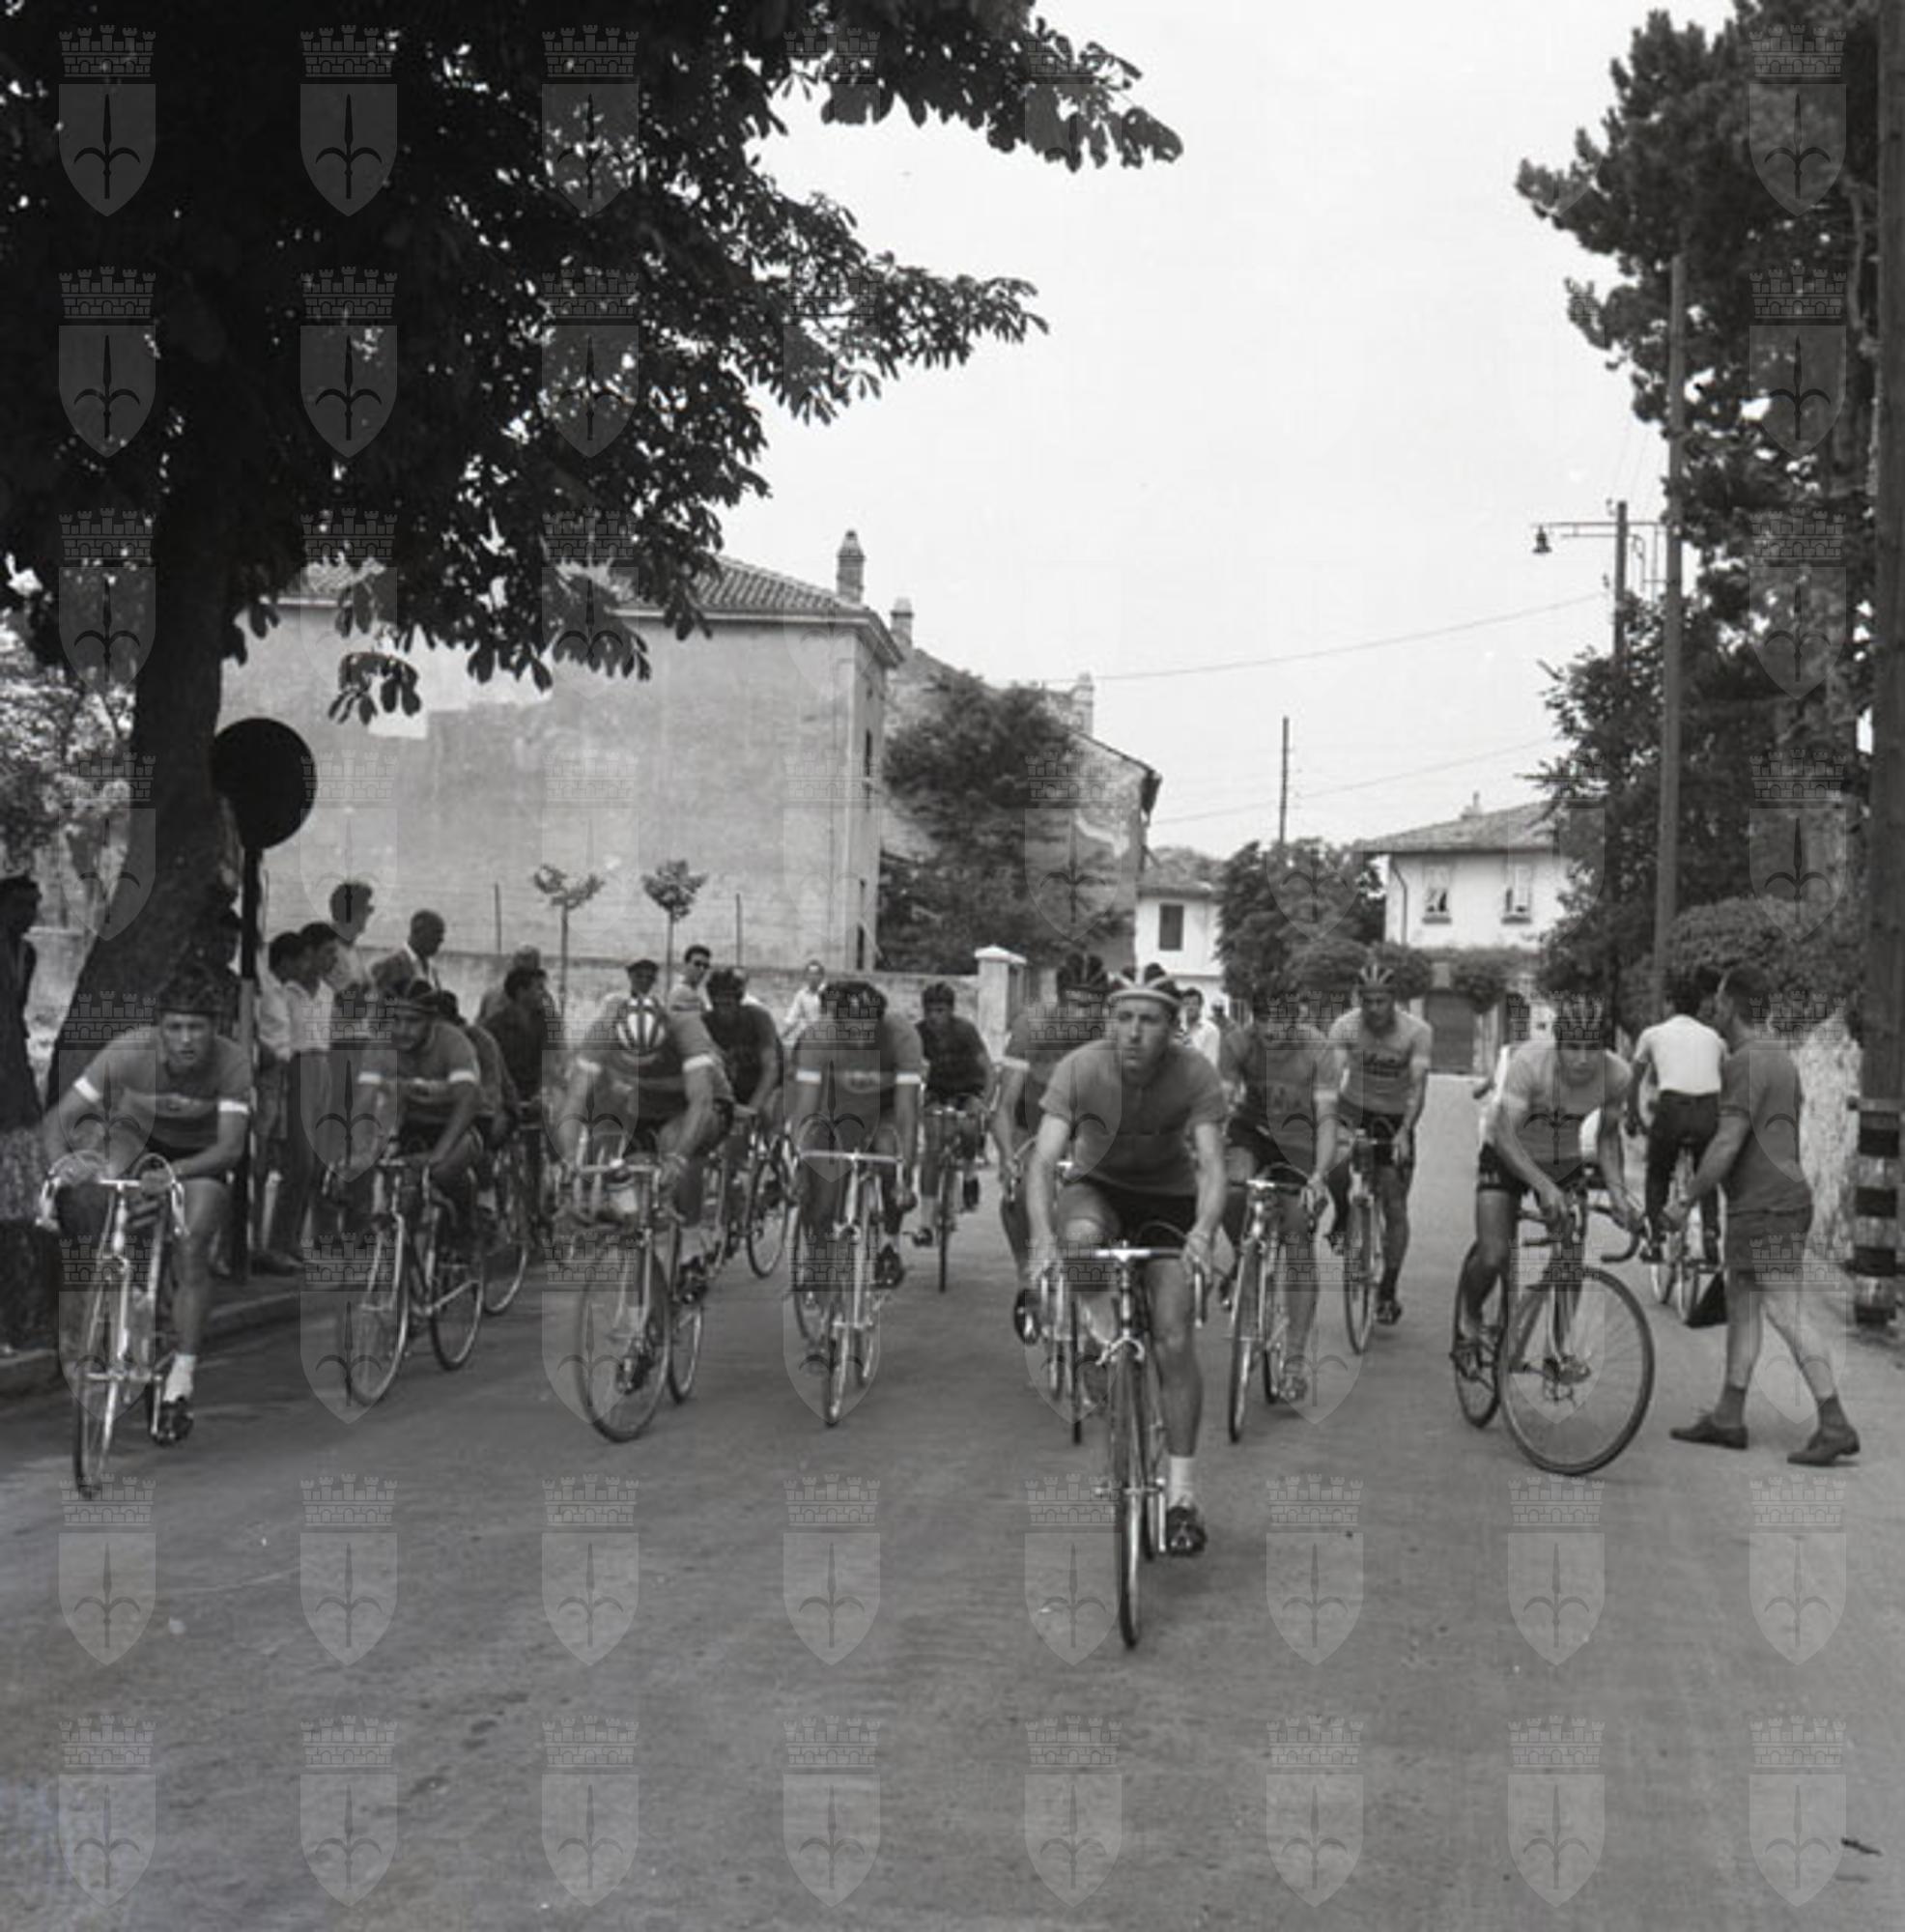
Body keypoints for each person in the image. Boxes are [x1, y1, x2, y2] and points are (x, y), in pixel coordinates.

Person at [1025, 976, 1228, 1556]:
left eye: (1149, 1020)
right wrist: (1041, 1238)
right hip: (1098, 1188)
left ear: (1172, 1028)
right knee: (1080, 1240)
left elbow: (1213, 1165)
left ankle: (1182, 1498)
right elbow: (1044, 1161)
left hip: (1168, 1198)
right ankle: (1101, 1328)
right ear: (1110, 1023)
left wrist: (1204, 1232)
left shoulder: (1195, 1073)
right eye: (1124, 1018)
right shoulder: (1080, 1068)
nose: (1134, 1032)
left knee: (1174, 1338)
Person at [43, 968, 253, 1446]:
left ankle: (181, 1377)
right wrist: (62, 1166)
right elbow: (61, 1117)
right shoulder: (129, 1052)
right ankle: (122, 1288)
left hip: (199, 1157)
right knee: (101, 1191)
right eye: (175, 1027)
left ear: (215, 1028)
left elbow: (230, 1149)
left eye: (197, 1027)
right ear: (159, 1028)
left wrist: (174, 1174)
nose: (186, 1039)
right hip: (135, 1141)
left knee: (193, 1240)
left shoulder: (232, 1063)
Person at [1666, 965, 1859, 1464]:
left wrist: (1686, 1199)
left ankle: (1835, 1422)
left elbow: (1727, 1143)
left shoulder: (1746, 1063)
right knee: (1744, 1305)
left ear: (1732, 1006)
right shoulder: (1780, 1059)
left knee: (1783, 1309)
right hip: (1774, 1202)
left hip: (1765, 1207)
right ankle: (1728, 1416)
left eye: (1719, 1001)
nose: (1713, 1008)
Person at [1454, 994, 1639, 1345]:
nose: (1582, 1059)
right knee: (1493, 1255)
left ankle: (1558, 1352)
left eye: (1592, 1047)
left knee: (1570, 1260)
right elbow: (1504, 1136)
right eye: (1572, 1047)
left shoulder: (1617, 1075)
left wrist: (1617, 1194)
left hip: (1562, 1160)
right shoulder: (1530, 1063)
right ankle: (1471, 1311)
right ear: (1557, 1043)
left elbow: (1608, 1137)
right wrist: (1542, 1186)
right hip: (1506, 1153)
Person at [550, 986, 732, 1294]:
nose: (645, 1064)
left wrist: (678, 1158)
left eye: (651, 1056)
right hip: (646, 1107)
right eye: (634, 1058)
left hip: (701, 1105)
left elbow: (700, 1103)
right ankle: (650, 1255)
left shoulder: (687, 1029)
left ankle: (691, 1244)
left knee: (674, 1142)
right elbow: (574, 1101)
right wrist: (567, 1158)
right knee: (633, 1187)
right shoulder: (603, 1033)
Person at [1217, 978, 1337, 1401]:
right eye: (1265, 1020)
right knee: (1231, 1191)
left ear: (1297, 1017)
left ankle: (1295, 1359)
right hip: (1251, 1130)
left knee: (1297, 1231)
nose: (1273, 1030)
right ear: (1254, 1018)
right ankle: (1244, 1257)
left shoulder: (1317, 1049)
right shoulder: (1237, 1043)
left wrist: (1319, 1175)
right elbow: (1222, 1105)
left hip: (1300, 1139)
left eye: (1282, 1020)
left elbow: (1327, 1118)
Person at [785, 980, 922, 1293]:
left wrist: (905, 1176)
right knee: (822, 1199)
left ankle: (889, 1246)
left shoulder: (902, 1036)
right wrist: (798, 1162)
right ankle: (820, 1263)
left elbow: (906, 1113)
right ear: (837, 1021)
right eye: (851, 1027)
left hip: (885, 1110)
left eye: (867, 1026)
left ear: (880, 1021)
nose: (860, 1034)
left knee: (888, 1155)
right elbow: (805, 1109)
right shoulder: (819, 1037)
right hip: (838, 1111)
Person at [1322, 961, 1433, 1323]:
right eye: (1366, 1000)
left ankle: (1388, 1289)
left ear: (1393, 1000)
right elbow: (1333, 1075)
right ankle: (1342, 1214)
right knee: (1334, 1164)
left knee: (1395, 1204)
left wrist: (1404, 1133)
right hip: (1354, 1107)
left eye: (1380, 1001)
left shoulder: (1417, 1032)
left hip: (1395, 1116)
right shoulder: (1346, 1026)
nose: (1373, 1008)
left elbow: (1417, 1087)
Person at [994, 954, 1109, 1291]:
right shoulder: (1031, 1026)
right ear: (1059, 1000)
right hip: (1033, 1118)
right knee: (1019, 1191)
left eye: (1091, 1006)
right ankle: (1026, 1271)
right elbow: (1004, 1106)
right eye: (1075, 1005)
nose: (1083, 1015)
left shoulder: (1112, 1033)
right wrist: (1007, 1157)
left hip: (1088, 1121)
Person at [340, 978, 485, 1243]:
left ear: (432, 1020)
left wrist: (439, 1155)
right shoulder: (381, 1043)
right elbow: (364, 1101)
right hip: (411, 1126)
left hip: (456, 1126)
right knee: (403, 1196)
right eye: (395, 1020)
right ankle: (405, 1254)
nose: (402, 1030)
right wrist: (360, 1151)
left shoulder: (453, 1042)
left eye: (413, 1022)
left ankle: (464, 1222)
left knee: (440, 1171)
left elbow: (468, 1102)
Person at [1625, 980, 1726, 1268]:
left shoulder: (1652, 1034)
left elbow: (1634, 1081)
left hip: (1673, 1109)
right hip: (1708, 1110)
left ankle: (1655, 1241)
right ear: (1700, 1007)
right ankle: (1710, 1234)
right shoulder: (1715, 1038)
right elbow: (1726, 1079)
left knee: (1658, 1172)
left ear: (1670, 1004)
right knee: (1706, 1174)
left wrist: (1633, 1117)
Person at [916, 982, 993, 1236]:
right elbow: (910, 1070)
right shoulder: (919, 1033)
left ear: (950, 1011)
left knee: (969, 1128)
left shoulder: (965, 1031)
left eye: (940, 1011)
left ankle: (969, 1171)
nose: (934, 1017)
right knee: (932, 1149)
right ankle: (926, 1222)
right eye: (929, 1011)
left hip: (968, 1090)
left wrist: (984, 1104)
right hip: (937, 1091)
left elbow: (989, 1070)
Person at [372, 909, 447, 996]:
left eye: (442, 934)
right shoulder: (388, 965)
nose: (441, 939)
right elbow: (374, 1000)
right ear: (417, 931)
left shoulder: (431, 969)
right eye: (436, 932)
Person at [782, 957, 828, 1049]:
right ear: (806, 976)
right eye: (810, 974)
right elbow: (792, 1018)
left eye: (816, 974)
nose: (813, 977)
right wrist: (781, 1037)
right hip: (809, 1039)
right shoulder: (801, 995)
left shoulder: (829, 993)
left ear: (822, 976)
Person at [1178, 988, 1222, 1065]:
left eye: (1194, 1003)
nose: (1190, 1007)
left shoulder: (1210, 1030)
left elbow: (1210, 1063)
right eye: (1186, 1003)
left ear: (1201, 1005)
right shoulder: (1177, 1029)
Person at [669, 943, 713, 1014]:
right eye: (697, 964)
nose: (702, 970)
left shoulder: (700, 992)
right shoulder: (679, 990)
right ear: (686, 965)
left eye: (706, 966)